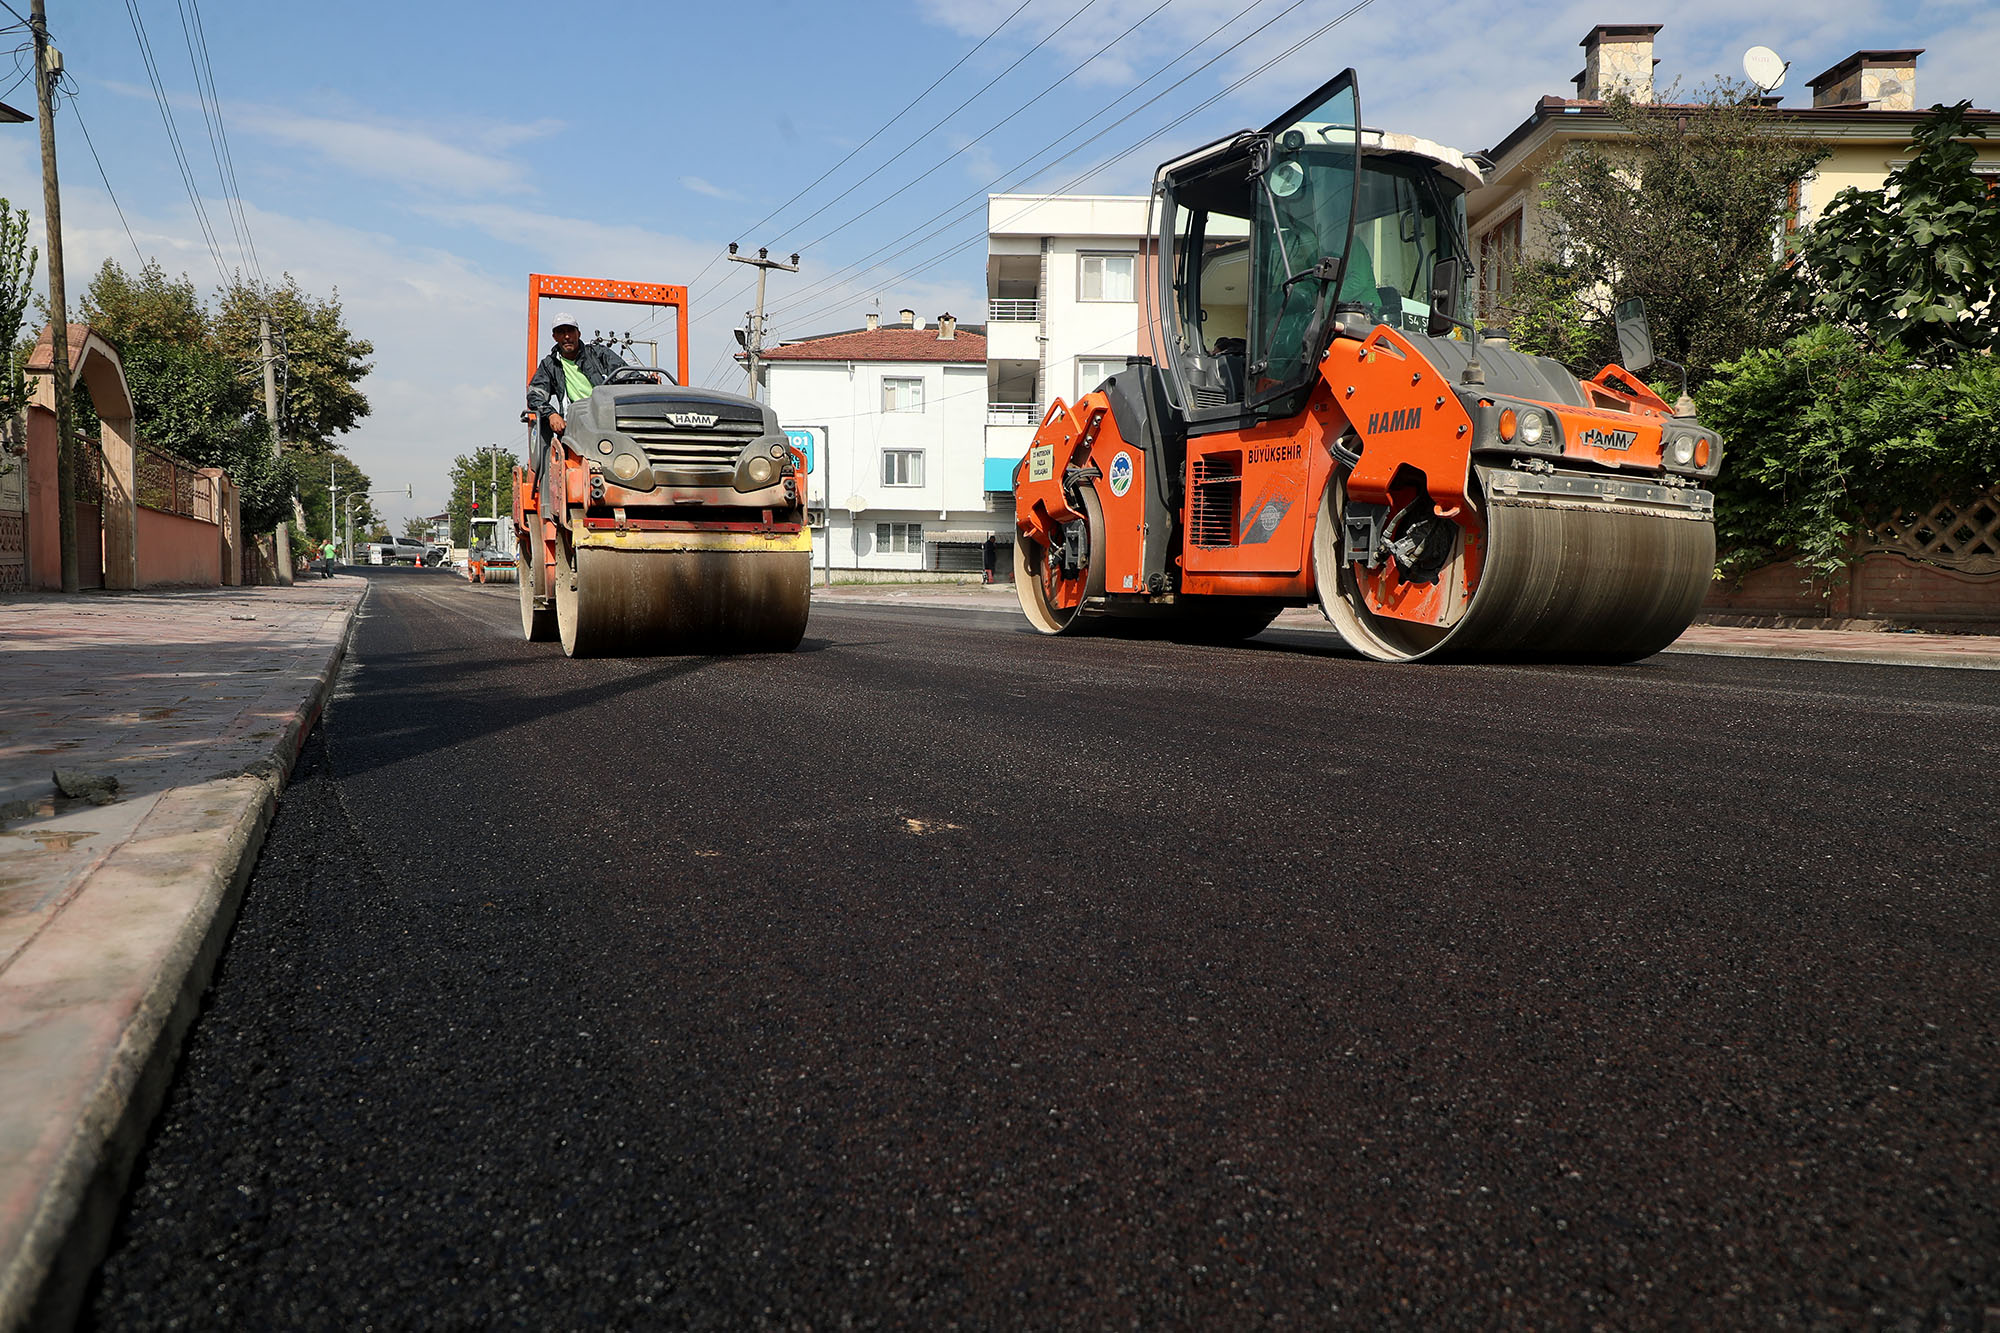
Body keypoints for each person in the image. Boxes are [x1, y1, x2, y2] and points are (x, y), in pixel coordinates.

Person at [525, 312, 630, 439]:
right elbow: (535, 395)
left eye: (570, 331)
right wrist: (551, 414)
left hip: (608, 420)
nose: (567, 336)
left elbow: (626, 374)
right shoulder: (550, 365)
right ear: (555, 337)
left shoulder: (599, 354)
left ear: (578, 334)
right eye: (561, 332)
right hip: (573, 428)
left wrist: (645, 382)